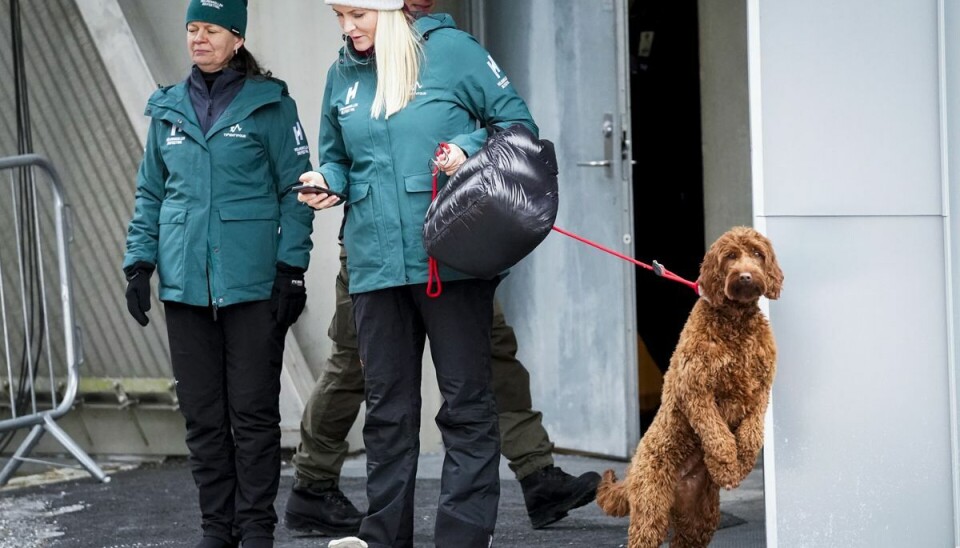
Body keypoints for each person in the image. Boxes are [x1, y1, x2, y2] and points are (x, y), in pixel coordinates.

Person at [285, 2, 599, 537]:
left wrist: (467, 147)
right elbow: (337, 155)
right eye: (339, 16)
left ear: (387, 9)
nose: (347, 28)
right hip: (374, 264)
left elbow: (517, 124)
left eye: (357, 13)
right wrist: (325, 178)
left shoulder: (450, 52)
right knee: (387, 414)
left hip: (449, 259)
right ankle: (383, 535)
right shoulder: (342, 73)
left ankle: (463, 535)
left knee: (467, 406)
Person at [122, 1, 315, 546]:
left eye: (209, 29)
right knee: (204, 419)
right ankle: (216, 528)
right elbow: (151, 194)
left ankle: (254, 528)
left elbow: (296, 191)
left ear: (237, 37)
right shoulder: (167, 109)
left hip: (252, 285)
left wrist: (291, 268)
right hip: (185, 288)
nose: (198, 40)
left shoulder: (271, 106)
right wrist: (139, 262)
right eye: (191, 29)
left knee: (252, 416)